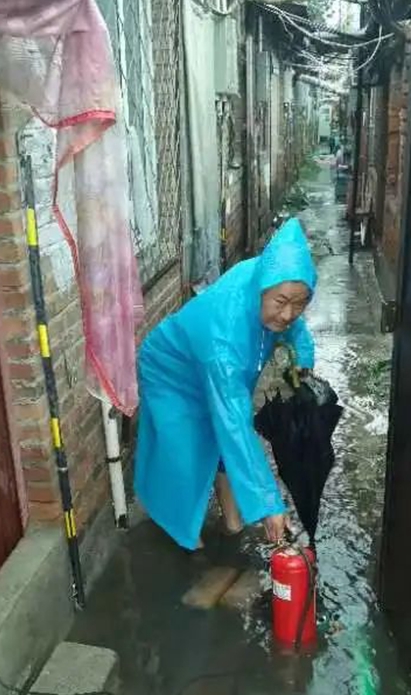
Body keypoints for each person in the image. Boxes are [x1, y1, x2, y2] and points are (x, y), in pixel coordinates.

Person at [135, 218, 317, 551]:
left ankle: (233, 525)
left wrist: (303, 357)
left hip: (210, 362)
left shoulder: (274, 280)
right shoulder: (225, 340)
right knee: (185, 452)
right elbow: (235, 425)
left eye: (299, 303)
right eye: (280, 303)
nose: (288, 314)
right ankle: (183, 536)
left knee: (224, 439)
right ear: (263, 290)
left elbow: (294, 325)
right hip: (172, 370)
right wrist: (270, 504)